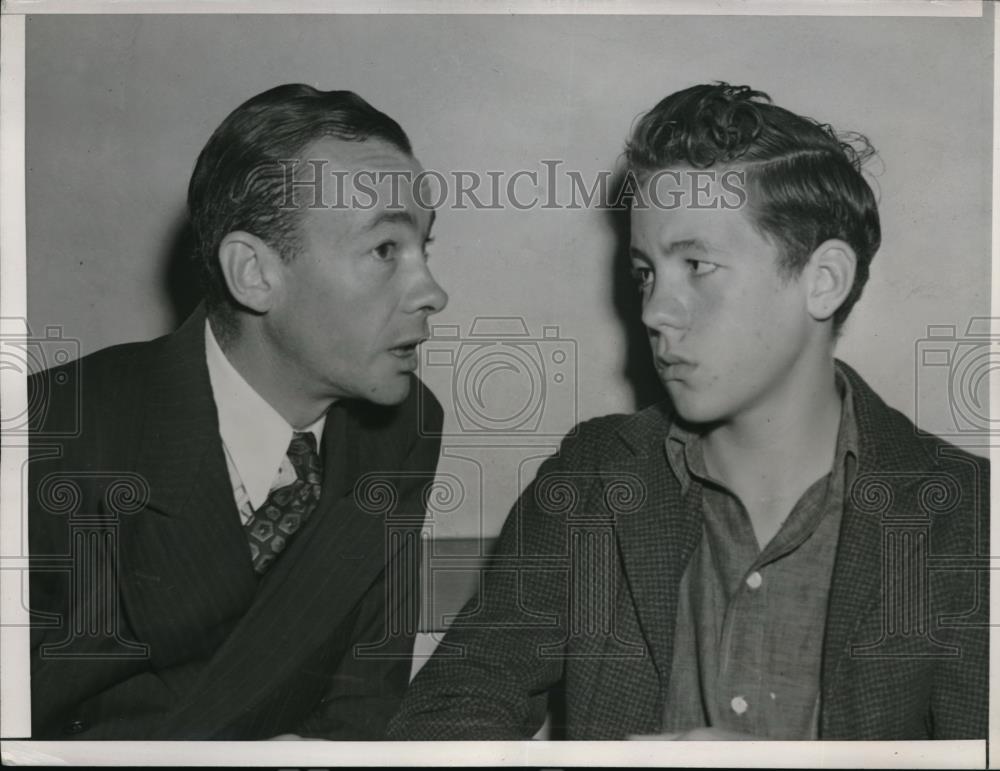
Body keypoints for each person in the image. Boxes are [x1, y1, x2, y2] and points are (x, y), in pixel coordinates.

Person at [387, 83, 988, 740]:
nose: (653, 312)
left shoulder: (965, 515)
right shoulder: (591, 476)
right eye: (646, 273)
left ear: (823, 281)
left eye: (697, 265)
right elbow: (457, 700)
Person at [28, 84, 448, 739]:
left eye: (426, 248)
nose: (432, 291)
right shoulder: (52, 431)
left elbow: (363, 701)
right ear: (254, 273)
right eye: (386, 250)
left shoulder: (403, 428)